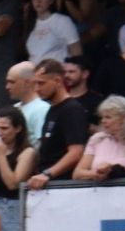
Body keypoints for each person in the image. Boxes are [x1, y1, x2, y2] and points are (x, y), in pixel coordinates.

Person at [26, 58, 89, 188]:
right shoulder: (52, 109)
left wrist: (48, 174)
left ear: (58, 81)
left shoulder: (72, 109)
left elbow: (76, 152)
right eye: (35, 84)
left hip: (62, 186)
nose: (37, 89)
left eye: (41, 83)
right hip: (49, 184)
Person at [74, 94, 125, 182]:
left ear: (124, 118)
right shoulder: (97, 139)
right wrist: (97, 174)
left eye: (108, 117)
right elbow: (77, 174)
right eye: (102, 117)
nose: (103, 121)